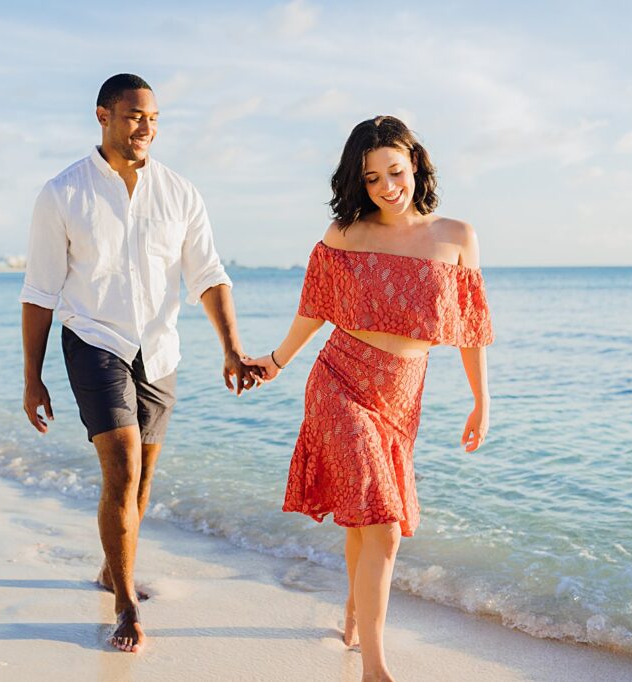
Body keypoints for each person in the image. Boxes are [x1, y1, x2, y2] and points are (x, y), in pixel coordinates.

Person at [19, 73, 260, 654]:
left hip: (159, 350)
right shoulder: (63, 193)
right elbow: (40, 291)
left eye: (152, 118)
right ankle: (124, 603)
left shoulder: (180, 192)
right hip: (94, 340)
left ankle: (111, 568)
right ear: (102, 117)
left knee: (143, 481)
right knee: (122, 471)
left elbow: (208, 275)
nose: (145, 127)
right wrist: (32, 377)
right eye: (133, 117)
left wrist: (231, 347)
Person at [248, 116, 494, 681]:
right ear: (357, 180)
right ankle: (375, 669)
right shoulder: (345, 234)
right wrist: (279, 360)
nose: (387, 187)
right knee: (382, 522)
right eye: (373, 177)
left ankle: (356, 608)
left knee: (364, 522)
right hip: (340, 381)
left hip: (402, 396)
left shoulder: (456, 237)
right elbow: (316, 307)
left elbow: (472, 329)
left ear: (416, 166)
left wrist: (482, 401)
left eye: (396, 172)